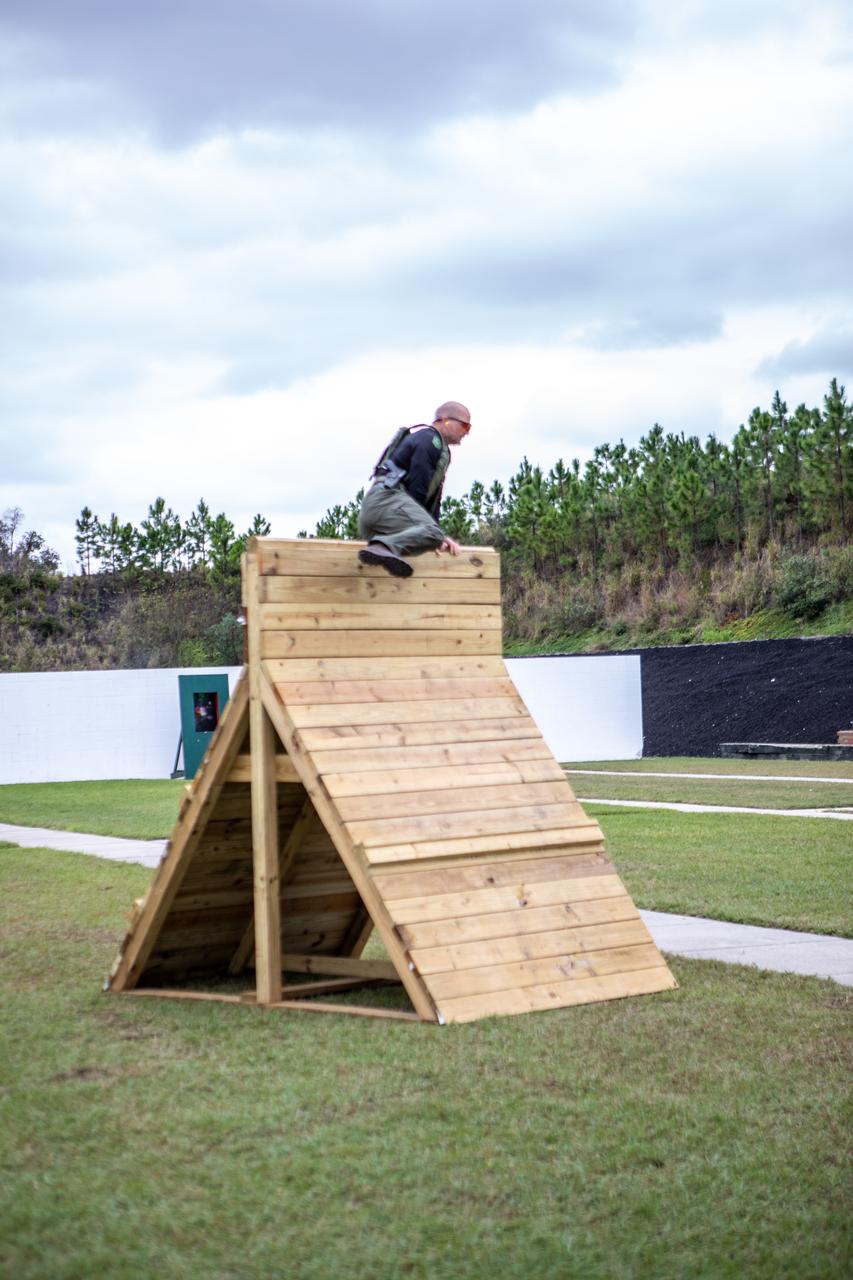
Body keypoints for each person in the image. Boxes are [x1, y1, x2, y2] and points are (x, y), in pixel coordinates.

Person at [357, 400, 472, 577]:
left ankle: (382, 548)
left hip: (378, 516)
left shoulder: (440, 449)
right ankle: (382, 547)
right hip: (386, 503)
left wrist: (431, 536)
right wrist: (432, 534)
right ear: (444, 420)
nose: (466, 433)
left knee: (430, 536)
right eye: (464, 426)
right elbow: (418, 487)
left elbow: (433, 499)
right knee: (433, 533)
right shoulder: (429, 440)